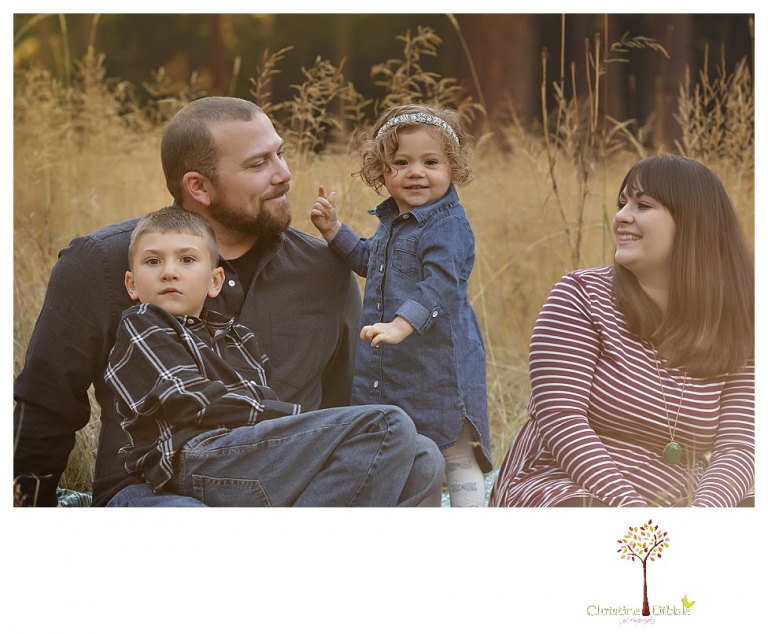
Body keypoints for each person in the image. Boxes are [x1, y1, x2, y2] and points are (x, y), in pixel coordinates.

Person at [13, 96, 445, 507]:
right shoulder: (103, 262)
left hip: (295, 487)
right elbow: (46, 408)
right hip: (155, 490)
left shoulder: (324, 269)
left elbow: (340, 405)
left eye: (280, 154)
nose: (284, 174)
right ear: (198, 186)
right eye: (259, 164)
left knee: (421, 459)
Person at [104, 206, 434, 506]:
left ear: (214, 281)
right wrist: (291, 417)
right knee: (388, 424)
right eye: (153, 262)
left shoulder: (237, 338)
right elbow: (186, 397)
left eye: (187, 260)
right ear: (132, 285)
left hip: (247, 457)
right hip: (191, 457)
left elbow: (261, 408)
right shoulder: (143, 322)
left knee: (423, 455)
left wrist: (288, 424)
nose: (169, 272)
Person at [489, 155, 754, 508]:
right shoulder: (579, 295)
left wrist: (704, 515)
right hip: (566, 485)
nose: (621, 216)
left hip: (677, 496)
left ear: (694, 223)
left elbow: (739, 445)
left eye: (642, 205)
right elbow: (561, 419)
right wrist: (631, 511)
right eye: (622, 203)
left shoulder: (740, 320)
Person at [310, 104, 492, 507]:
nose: (416, 172)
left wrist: (400, 325)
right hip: (394, 367)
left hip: (440, 365)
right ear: (382, 170)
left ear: (453, 167)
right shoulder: (393, 220)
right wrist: (333, 231)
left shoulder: (448, 225)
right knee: (403, 448)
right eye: (401, 162)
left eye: (431, 162)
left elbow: (440, 285)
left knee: (455, 451)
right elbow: (369, 260)